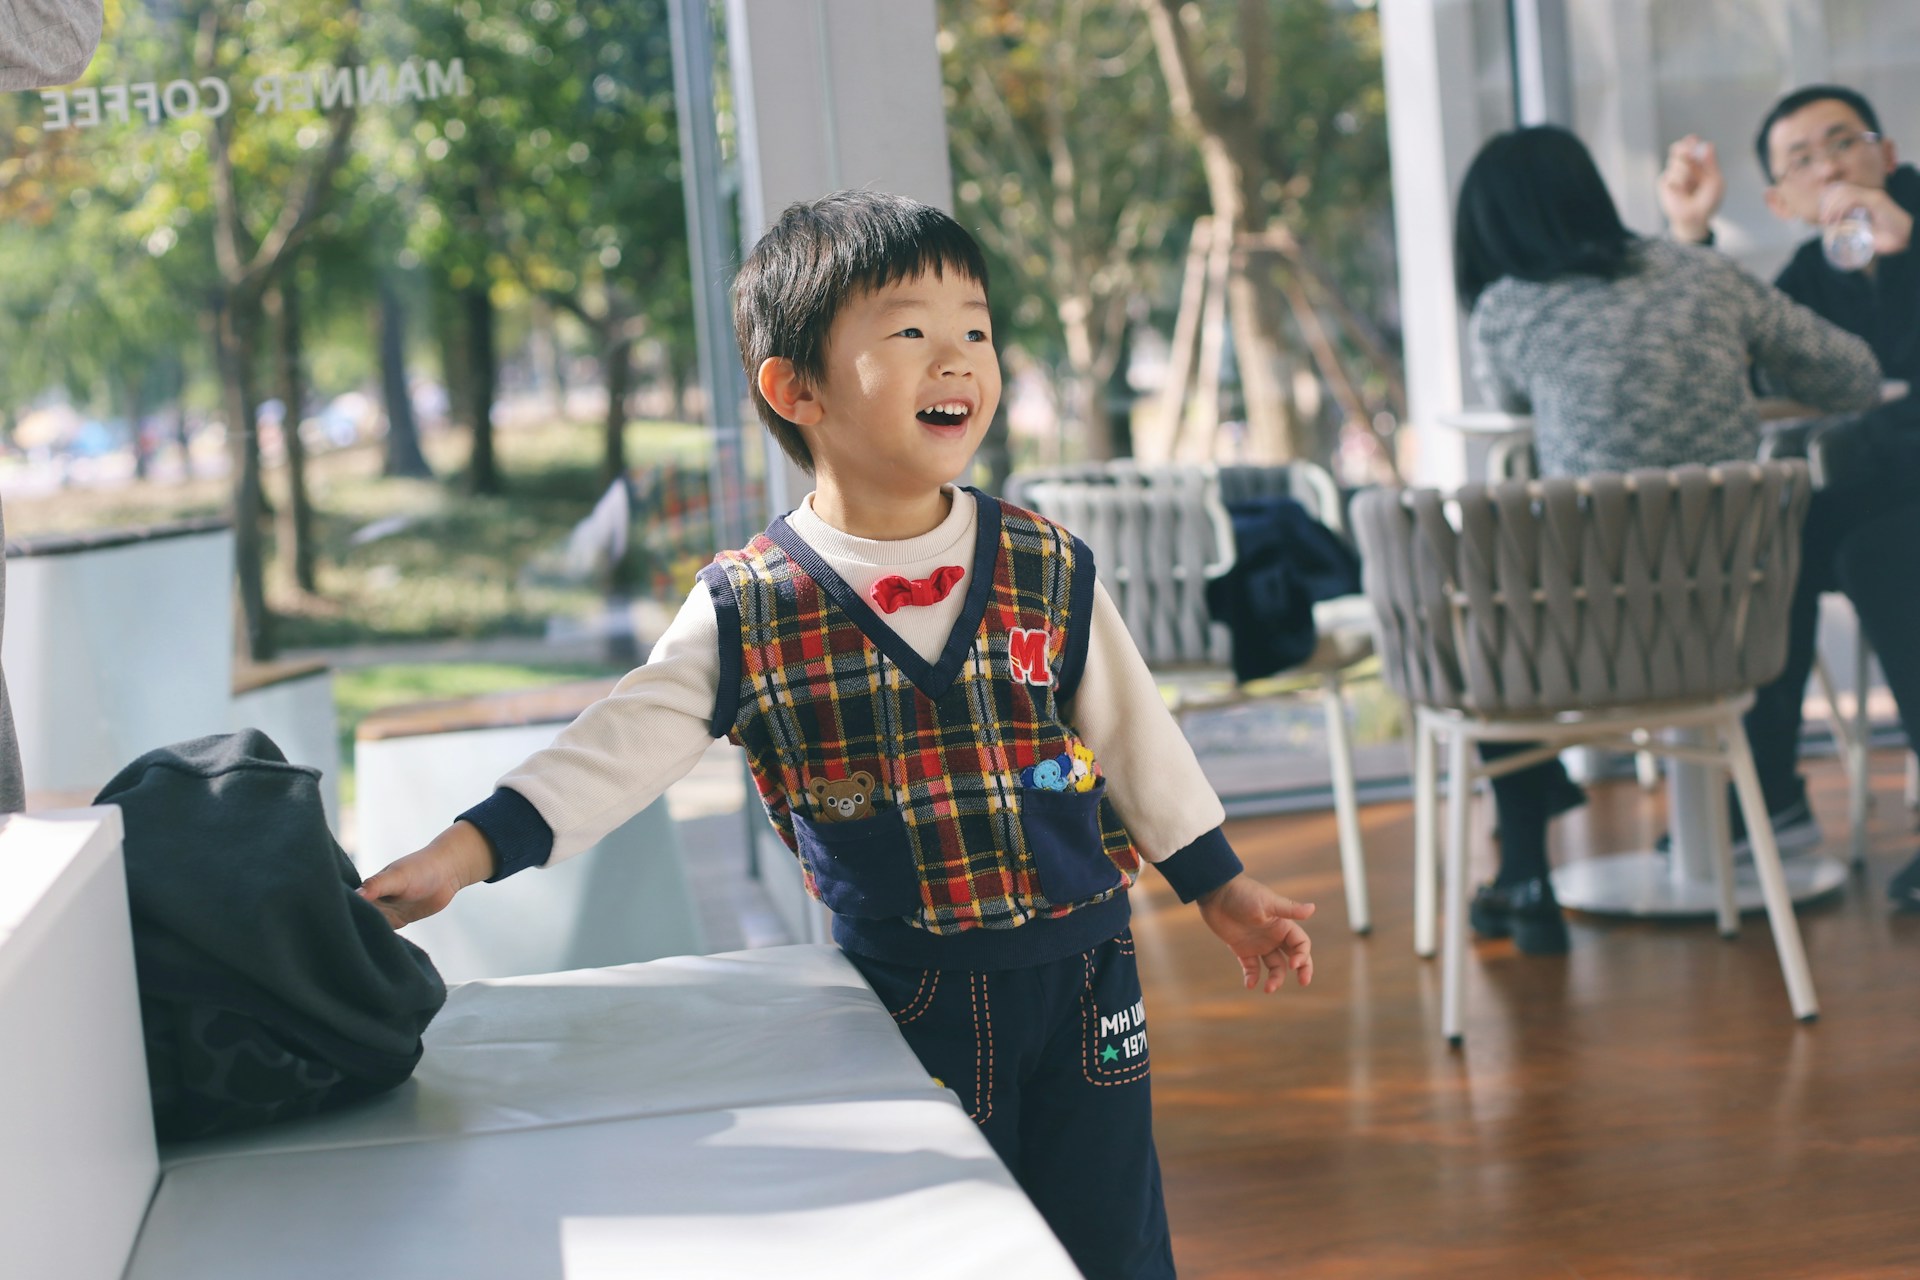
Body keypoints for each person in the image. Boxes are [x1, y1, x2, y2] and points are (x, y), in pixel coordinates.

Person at [358, 191, 1316, 1279]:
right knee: (951, 1246)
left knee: (1117, 1242)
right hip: (907, 993)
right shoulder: (751, 606)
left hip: (1088, 972)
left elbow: (1137, 738)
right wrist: (460, 853)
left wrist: (1220, 886)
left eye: (977, 331)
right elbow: (618, 745)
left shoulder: (1047, 562)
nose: (957, 359)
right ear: (796, 390)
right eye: (911, 331)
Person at [1453, 125, 1883, 952]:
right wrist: (1732, 364)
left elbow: (1508, 401)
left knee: (1492, 614)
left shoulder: (1506, 308)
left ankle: (1525, 871)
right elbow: (1853, 375)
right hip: (1739, 627)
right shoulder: (1708, 275)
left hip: (1586, 644)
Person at [1660, 85, 1920, 912]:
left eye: (1844, 142)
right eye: (1802, 160)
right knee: (1774, 536)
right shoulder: (1810, 274)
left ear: (1886, 155)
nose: (1830, 167)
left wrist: (1906, 247)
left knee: (1879, 550)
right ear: (1782, 201)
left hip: (1895, 493)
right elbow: (1731, 354)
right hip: (1888, 484)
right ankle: (1768, 795)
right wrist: (1692, 234)